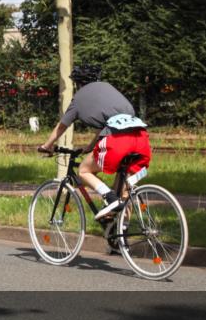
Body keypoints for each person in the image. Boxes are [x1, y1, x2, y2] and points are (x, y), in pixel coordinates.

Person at [38, 64, 151, 221]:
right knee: (122, 194)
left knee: (84, 171)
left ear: (78, 83)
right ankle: (120, 238)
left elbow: (62, 126)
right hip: (141, 139)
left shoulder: (78, 99)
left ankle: (109, 197)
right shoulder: (108, 87)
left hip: (117, 141)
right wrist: (90, 147)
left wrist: (47, 146)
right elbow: (107, 123)